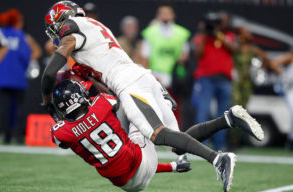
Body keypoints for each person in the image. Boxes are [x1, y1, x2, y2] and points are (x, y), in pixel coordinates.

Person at [41, 2, 264, 191]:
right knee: (176, 143)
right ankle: (229, 119)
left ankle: (218, 159)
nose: (56, 32)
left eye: (55, 25)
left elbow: (50, 72)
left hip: (128, 83)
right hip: (139, 77)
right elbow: (104, 84)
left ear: (64, 19)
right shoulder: (92, 29)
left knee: (157, 134)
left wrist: (47, 100)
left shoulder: (73, 28)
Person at [51, 79, 262, 192]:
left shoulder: (61, 133)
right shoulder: (102, 104)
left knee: (175, 144)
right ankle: (159, 98)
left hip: (130, 186)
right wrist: (91, 78)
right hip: (140, 160)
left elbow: (125, 167)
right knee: (136, 104)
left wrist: (171, 167)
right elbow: (114, 95)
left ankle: (226, 120)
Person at [191, 12, 238, 150]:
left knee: (223, 115)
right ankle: (200, 144)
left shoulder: (229, 35)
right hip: (206, 78)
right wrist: (206, 35)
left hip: (224, 79)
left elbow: (234, 49)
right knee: (203, 111)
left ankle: (220, 145)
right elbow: (197, 54)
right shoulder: (201, 36)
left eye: (220, 23)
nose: (217, 26)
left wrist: (218, 35)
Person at [141, 4, 191, 123]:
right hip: (157, 75)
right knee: (156, 106)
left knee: (175, 106)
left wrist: (180, 61)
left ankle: (176, 134)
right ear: (157, 16)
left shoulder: (181, 33)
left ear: (173, 15)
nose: (165, 16)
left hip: (175, 76)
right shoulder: (150, 33)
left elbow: (185, 54)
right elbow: (145, 57)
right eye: (162, 13)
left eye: (167, 13)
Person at [0, 9, 31, 143]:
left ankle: (5, 135)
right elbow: (26, 56)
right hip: (18, 78)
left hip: (2, 77)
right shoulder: (20, 35)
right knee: (18, 109)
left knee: (4, 108)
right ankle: (18, 135)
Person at [232, 26, 274, 108]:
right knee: (234, 103)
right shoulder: (236, 48)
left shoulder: (253, 50)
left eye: (248, 33)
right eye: (245, 32)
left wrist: (259, 69)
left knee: (244, 105)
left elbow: (267, 59)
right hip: (236, 81)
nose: (248, 34)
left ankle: (241, 120)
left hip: (248, 81)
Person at [271, 52, 293, 151]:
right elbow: (274, 63)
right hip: (290, 90)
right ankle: (290, 141)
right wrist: (283, 76)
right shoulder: (290, 56)